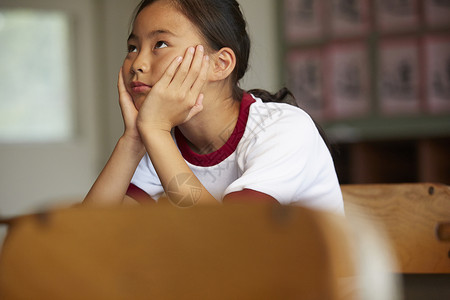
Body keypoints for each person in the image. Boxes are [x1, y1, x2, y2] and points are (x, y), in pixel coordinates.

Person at [83, 0, 344, 213]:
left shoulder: (285, 129)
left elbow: (226, 238)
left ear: (220, 64)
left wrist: (155, 130)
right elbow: (87, 237)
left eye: (160, 44)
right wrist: (133, 140)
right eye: (133, 47)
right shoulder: (159, 140)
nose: (137, 63)